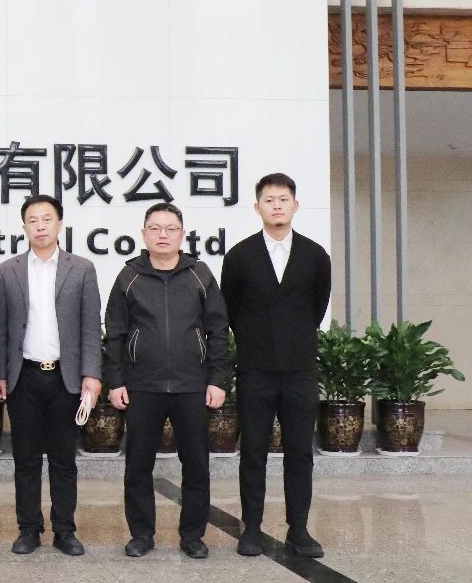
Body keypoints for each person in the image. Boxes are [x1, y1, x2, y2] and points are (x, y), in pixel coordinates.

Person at [103, 202, 231, 560]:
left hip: (192, 385)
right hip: (142, 385)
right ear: (143, 234)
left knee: (197, 465)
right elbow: (115, 332)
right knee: (138, 465)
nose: (163, 234)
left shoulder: (200, 274)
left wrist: (218, 379)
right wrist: (115, 381)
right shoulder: (128, 277)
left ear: (182, 234)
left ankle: (193, 535)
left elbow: (218, 329)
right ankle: (141, 534)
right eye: (155, 228)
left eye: (171, 228)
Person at [221, 173, 331, 558]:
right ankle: (251, 528)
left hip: (300, 371)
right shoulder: (239, 256)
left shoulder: (315, 256)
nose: (277, 206)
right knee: (253, 451)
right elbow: (231, 309)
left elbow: (316, 308)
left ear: (295, 205)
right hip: (255, 370)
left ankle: (298, 529)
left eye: (283, 199)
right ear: (258, 208)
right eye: (269, 200)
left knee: (300, 452)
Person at [0, 194, 102, 557]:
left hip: (65, 379)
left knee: (63, 459)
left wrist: (92, 374)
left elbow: (90, 327)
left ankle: (64, 530)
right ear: (24, 226)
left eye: (46, 219)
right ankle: (29, 528)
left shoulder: (82, 268)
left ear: (59, 224)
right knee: (25, 459)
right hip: (23, 377)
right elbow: (0, 330)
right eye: (33, 220)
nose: (40, 226)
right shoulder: (7, 271)